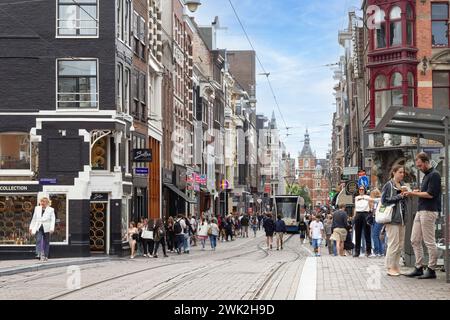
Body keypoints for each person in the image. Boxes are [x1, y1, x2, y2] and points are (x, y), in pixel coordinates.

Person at [405, 152, 441, 279]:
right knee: (414, 240)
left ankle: (431, 269)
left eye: (420, 166)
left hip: (429, 211)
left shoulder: (434, 175)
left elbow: (431, 194)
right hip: (421, 210)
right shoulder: (427, 175)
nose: (419, 168)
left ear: (426, 162)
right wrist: (417, 192)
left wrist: (413, 194)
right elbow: (426, 193)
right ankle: (419, 267)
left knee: (429, 242)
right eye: (418, 166)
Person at [381, 165, 408, 276]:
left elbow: (403, 200)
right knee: (393, 244)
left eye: (403, 172)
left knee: (400, 244)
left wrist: (406, 194)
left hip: (402, 218)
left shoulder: (402, 185)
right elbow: (384, 201)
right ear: (394, 173)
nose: (402, 174)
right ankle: (389, 267)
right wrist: (400, 196)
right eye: (400, 172)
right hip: (392, 218)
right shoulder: (388, 185)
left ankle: (396, 267)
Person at [29, 196, 55, 261]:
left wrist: (52, 228)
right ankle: (38, 253)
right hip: (39, 226)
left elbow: (53, 220)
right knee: (38, 239)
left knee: (46, 242)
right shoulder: (37, 208)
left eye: (44, 202)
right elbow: (34, 218)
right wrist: (31, 227)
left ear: (47, 203)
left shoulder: (51, 209)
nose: (42, 203)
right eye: (42, 201)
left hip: (47, 227)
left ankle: (46, 256)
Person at [353, 186, 373, 257]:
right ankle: (357, 251)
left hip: (365, 214)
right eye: (360, 189)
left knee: (367, 233)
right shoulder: (356, 198)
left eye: (362, 189)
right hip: (358, 214)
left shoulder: (368, 197)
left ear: (364, 190)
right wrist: (354, 216)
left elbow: (371, 203)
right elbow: (355, 207)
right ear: (358, 190)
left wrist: (370, 212)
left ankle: (368, 251)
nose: (361, 191)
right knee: (357, 234)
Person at [370, 189, 384, 257]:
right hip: (375, 219)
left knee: (374, 235)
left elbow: (381, 210)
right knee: (377, 235)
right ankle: (380, 251)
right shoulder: (376, 202)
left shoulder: (379, 200)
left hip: (378, 219)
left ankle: (377, 251)